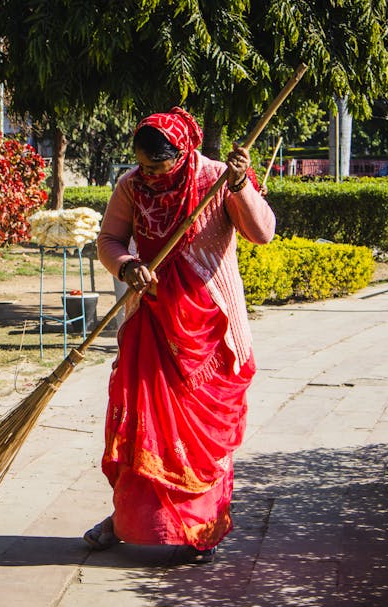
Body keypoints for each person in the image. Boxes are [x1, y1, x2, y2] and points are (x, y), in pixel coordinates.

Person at [87, 107, 275, 563]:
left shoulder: (217, 176)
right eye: (143, 165)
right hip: (151, 323)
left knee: (200, 438)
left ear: (183, 152)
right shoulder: (131, 186)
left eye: (159, 167)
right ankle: (128, 521)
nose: (148, 176)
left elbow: (262, 232)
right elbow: (109, 240)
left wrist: (239, 187)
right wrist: (128, 266)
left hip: (210, 333)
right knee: (142, 427)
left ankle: (200, 529)